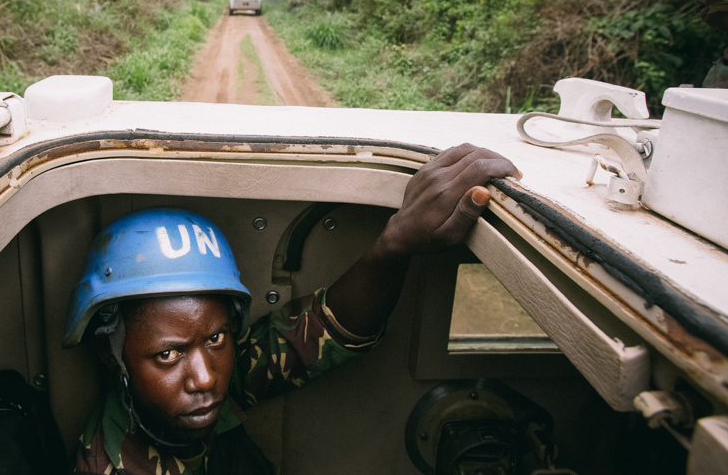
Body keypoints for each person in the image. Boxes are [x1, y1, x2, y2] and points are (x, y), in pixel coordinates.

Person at [63, 144, 521, 475]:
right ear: (113, 355)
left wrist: (395, 244)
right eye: (168, 355)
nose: (205, 378)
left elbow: (323, 331)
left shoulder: (190, 387)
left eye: (217, 337)